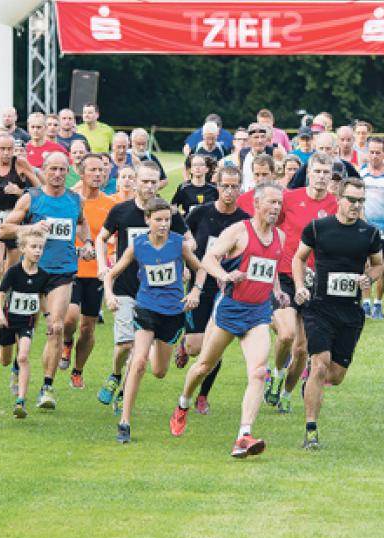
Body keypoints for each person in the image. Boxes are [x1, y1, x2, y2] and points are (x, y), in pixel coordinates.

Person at [170, 181, 286, 457]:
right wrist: (224, 276)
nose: (276, 208)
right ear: (257, 204)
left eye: (279, 203)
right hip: (230, 309)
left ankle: (243, 435)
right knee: (203, 367)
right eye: (272, 202)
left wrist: (278, 292)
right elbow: (209, 259)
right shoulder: (238, 231)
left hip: (258, 313)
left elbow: (271, 270)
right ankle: (183, 403)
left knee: (259, 371)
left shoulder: (280, 237)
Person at [293, 177, 384, 449]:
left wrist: (369, 277)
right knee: (321, 363)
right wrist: (300, 286)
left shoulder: (369, 233)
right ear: (339, 198)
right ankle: (311, 430)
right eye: (352, 200)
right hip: (319, 307)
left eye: (361, 201)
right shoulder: (318, 228)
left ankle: (311, 383)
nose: (356, 205)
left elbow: (378, 266)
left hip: (350, 312)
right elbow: (298, 258)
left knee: (335, 375)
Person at [104, 198, 204, 444]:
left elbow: (200, 269)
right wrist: (109, 295)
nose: (163, 224)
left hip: (172, 313)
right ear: (147, 220)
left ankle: (152, 348)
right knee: (137, 364)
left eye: (167, 220)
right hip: (146, 308)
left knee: (159, 371)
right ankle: (124, 423)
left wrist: (195, 291)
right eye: (158, 220)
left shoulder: (178, 244)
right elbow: (111, 274)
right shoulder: (137, 246)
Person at [95, 161, 191, 411]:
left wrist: (187, 265)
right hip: (127, 287)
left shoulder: (167, 213)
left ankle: (124, 393)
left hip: (158, 293)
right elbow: (101, 238)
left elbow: (188, 242)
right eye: (144, 181)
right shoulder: (121, 211)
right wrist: (101, 265)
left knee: (141, 354)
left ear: (160, 182)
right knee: (126, 345)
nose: (149, 186)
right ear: (135, 181)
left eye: (153, 181)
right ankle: (116, 375)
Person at [0, 151, 94, 407]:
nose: (57, 174)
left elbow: (83, 223)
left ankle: (47, 387)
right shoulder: (32, 198)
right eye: (52, 169)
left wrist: (86, 242)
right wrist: (29, 228)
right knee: (21, 329)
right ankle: (18, 367)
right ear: (44, 170)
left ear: (68, 172)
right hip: (31, 272)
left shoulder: (75, 200)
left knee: (56, 326)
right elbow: (3, 229)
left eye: (62, 169)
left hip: (62, 272)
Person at [173, 165, 251, 414]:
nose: (229, 191)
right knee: (197, 346)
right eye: (224, 186)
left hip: (228, 290)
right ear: (217, 186)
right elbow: (181, 238)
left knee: (214, 345)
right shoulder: (200, 213)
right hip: (201, 284)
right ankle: (184, 345)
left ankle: (203, 395)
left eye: (234, 186)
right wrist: (183, 265)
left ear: (240, 188)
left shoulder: (244, 221)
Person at [266, 153, 338, 413]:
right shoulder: (290, 198)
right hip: (285, 275)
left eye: (325, 172)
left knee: (302, 348)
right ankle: (274, 374)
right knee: (285, 335)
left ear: (331, 176)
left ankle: (285, 393)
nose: (321, 177)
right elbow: (271, 227)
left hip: (315, 281)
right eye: (317, 171)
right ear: (308, 173)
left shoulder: (335, 205)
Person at [0, 133, 41, 332]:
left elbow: (39, 189)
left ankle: (8, 307)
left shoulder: (21, 164)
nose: (5, 153)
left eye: (9, 149)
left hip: (15, 221)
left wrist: (19, 192)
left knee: (10, 269)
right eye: (1, 149)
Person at [59, 154, 115, 386]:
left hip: (97, 273)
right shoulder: (70, 200)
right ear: (81, 173)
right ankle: (66, 343)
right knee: (70, 318)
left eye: (101, 170)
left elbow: (115, 240)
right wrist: (78, 249)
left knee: (87, 327)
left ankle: (78, 370)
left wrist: (108, 258)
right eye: (92, 170)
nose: (97, 174)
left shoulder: (111, 205)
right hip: (71, 270)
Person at [0, 227, 47, 418]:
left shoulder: (43, 275)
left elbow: (41, 297)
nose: (37, 251)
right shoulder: (13, 272)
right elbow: (0, 295)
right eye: (33, 247)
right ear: (23, 249)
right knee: (5, 360)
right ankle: (11, 364)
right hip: (8, 321)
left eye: (40, 248)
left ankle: (21, 402)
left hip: (27, 322)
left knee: (24, 356)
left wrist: (48, 316)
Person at [359, 137, 384, 320]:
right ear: (367, 153)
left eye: (378, 152)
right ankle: (365, 303)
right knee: (365, 264)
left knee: (382, 265)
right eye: (371, 152)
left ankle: (378, 303)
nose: (374, 156)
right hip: (365, 227)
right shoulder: (361, 173)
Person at [286, 132, 359, 189]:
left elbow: (359, 185)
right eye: (321, 148)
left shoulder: (345, 166)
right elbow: (292, 188)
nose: (324, 152)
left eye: (328, 148)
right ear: (316, 148)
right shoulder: (307, 166)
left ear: (334, 149)